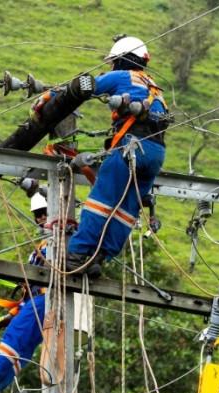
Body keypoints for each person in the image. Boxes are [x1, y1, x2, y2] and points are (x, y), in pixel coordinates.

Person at [63, 35, 169, 275]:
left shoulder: (123, 76)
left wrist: (75, 86)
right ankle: (99, 258)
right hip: (155, 154)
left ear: (122, 60)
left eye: (113, 62)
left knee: (101, 201)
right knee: (127, 210)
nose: (111, 67)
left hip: (130, 148)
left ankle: (77, 254)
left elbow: (89, 86)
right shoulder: (155, 88)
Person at [0, 193, 50, 393]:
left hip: (44, 301)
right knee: (20, 350)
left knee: (15, 340)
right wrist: (13, 314)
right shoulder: (43, 246)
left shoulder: (59, 242)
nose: (41, 219)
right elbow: (29, 290)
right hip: (37, 302)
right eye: (37, 215)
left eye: (44, 213)